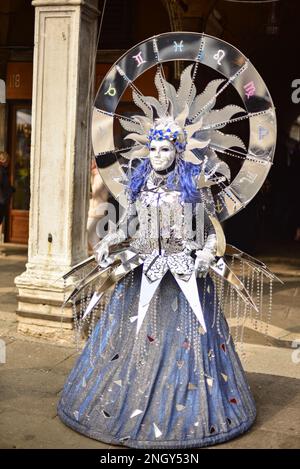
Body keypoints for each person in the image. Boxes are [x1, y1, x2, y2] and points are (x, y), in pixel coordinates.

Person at [57, 65, 276, 448]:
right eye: (152, 148)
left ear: (178, 150)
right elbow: (127, 226)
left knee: (188, 349)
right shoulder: (139, 188)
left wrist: (207, 255)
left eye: (165, 148)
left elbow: (211, 235)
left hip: (185, 276)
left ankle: (187, 415)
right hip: (140, 274)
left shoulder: (195, 191)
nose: (157, 155)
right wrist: (110, 241)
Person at [0, 152, 14, 236]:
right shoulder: (1, 171)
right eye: (7, 161)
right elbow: (4, 186)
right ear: (2, 160)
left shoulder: (3, 170)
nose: (8, 163)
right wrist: (11, 190)